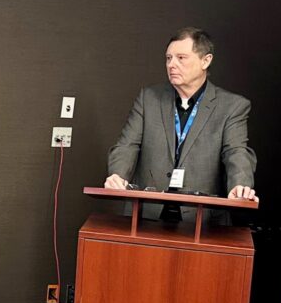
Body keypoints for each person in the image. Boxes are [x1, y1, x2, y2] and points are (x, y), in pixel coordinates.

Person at [105, 27, 259, 220]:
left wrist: (240, 185)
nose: (172, 65)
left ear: (206, 60)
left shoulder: (232, 106)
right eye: (168, 58)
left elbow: (236, 152)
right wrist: (118, 175)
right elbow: (127, 145)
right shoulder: (149, 98)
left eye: (181, 58)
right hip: (148, 213)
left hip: (202, 219)